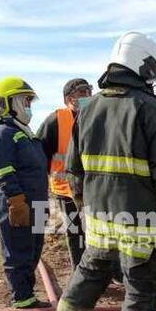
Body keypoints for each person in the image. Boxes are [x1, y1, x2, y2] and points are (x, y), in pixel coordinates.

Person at [52, 32, 156, 311]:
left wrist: (86, 206)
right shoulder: (151, 110)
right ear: (142, 65)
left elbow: (73, 169)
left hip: (98, 219)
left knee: (90, 271)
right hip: (141, 223)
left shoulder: (89, 108)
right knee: (141, 288)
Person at [0, 76, 51, 309]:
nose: (28, 107)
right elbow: (4, 171)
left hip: (38, 202)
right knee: (18, 250)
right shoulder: (2, 134)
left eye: (29, 103)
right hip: (20, 202)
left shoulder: (26, 134)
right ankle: (22, 298)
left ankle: (27, 294)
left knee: (34, 248)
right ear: (6, 103)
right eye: (24, 101)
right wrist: (16, 202)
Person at [37, 78, 93, 269]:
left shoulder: (97, 117)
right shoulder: (55, 121)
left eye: (88, 92)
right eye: (82, 93)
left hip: (93, 188)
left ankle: (108, 272)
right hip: (66, 190)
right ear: (69, 98)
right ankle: (80, 271)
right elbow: (39, 154)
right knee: (75, 231)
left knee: (99, 232)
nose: (87, 96)